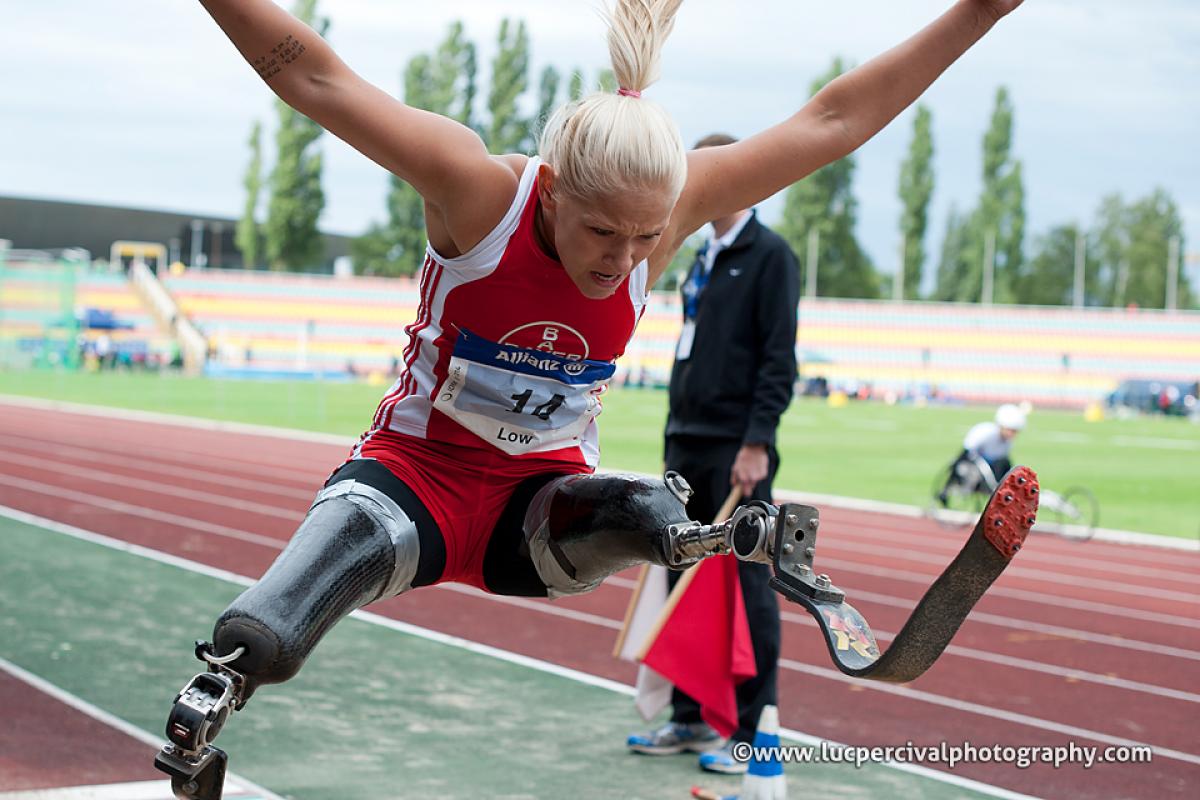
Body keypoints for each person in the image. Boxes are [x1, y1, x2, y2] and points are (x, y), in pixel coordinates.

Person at [159, 0, 1026, 793]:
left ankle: (713, 535)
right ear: (554, 185)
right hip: (412, 480)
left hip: (538, 512)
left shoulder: (673, 209)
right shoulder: (476, 192)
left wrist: (980, 11)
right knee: (266, 638)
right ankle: (212, 700)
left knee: (651, 510)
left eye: (648, 235)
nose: (622, 260)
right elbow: (313, 75)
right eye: (601, 230)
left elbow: (833, 119)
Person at [625, 134, 798, 774]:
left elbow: (779, 359)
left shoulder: (769, 256)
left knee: (748, 583)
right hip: (686, 439)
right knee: (682, 571)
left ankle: (755, 729)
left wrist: (758, 442)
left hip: (737, 448)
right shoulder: (701, 256)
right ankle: (691, 718)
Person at [938, 403, 1026, 503]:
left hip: (991, 465)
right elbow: (966, 452)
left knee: (1006, 465)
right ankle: (945, 491)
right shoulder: (985, 433)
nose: (1012, 434)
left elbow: (1003, 459)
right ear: (1002, 425)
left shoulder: (1007, 442)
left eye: (1015, 431)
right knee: (958, 464)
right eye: (1010, 430)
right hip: (974, 462)